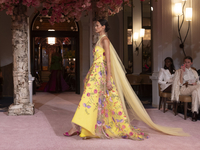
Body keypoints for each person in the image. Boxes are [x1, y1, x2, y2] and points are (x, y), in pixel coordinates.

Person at [63, 19, 188, 140]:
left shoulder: (105, 40)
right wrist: (88, 74)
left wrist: (108, 79)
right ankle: (84, 127)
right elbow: (96, 60)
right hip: (95, 73)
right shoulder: (99, 40)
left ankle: (77, 127)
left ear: (103, 27)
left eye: (97, 25)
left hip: (101, 75)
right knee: (91, 100)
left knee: (89, 100)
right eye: (95, 26)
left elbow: (109, 61)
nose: (95, 27)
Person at [172, 56, 200, 121]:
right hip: (184, 89)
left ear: (191, 63)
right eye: (185, 62)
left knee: (195, 92)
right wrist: (182, 72)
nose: (186, 63)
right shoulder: (179, 71)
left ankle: (194, 113)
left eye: (188, 62)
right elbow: (180, 83)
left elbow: (198, 82)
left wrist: (195, 83)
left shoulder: (194, 72)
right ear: (183, 62)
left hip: (194, 88)